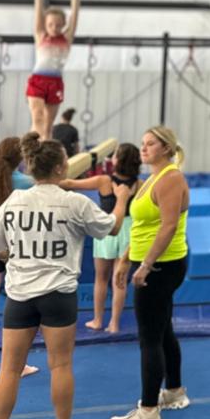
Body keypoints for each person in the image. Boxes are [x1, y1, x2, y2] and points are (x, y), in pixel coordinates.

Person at [0, 139, 129, 419]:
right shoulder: (74, 203)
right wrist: (122, 199)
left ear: (31, 168)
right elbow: (112, 228)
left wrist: (15, 256)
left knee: (8, 370)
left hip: (21, 295)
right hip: (59, 295)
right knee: (60, 365)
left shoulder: (15, 200)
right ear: (62, 168)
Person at [108, 127, 190, 419]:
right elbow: (143, 226)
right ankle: (174, 391)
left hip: (162, 267)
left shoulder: (170, 178)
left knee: (149, 338)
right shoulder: (152, 179)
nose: (144, 148)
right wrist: (125, 257)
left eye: (150, 144)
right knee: (162, 328)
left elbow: (167, 227)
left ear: (166, 147)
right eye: (142, 143)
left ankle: (148, 410)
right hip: (153, 263)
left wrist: (145, 265)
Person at [62, 142, 141, 334]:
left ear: (116, 160)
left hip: (107, 227)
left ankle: (97, 320)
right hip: (129, 229)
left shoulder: (104, 181)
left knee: (101, 278)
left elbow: (71, 184)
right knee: (119, 279)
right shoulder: (140, 185)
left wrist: (44, 180)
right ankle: (114, 323)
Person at [0, 137, 39, 386]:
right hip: (18, 250)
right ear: (22, 157)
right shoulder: (27, 183)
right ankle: (19, 365)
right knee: (21, 313)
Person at [25, 0, 86, 138]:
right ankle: (33, 153)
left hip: (55, 82)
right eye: (51, 24)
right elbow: (38, 9)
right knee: (37, 118)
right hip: (38, 80)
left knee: (48, 126)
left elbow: (75, 14)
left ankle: (46, 158)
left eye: (59, 25)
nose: (54, 28)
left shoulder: (66, 37)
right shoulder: (40, 35)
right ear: (45, 24)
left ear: (63, 25)